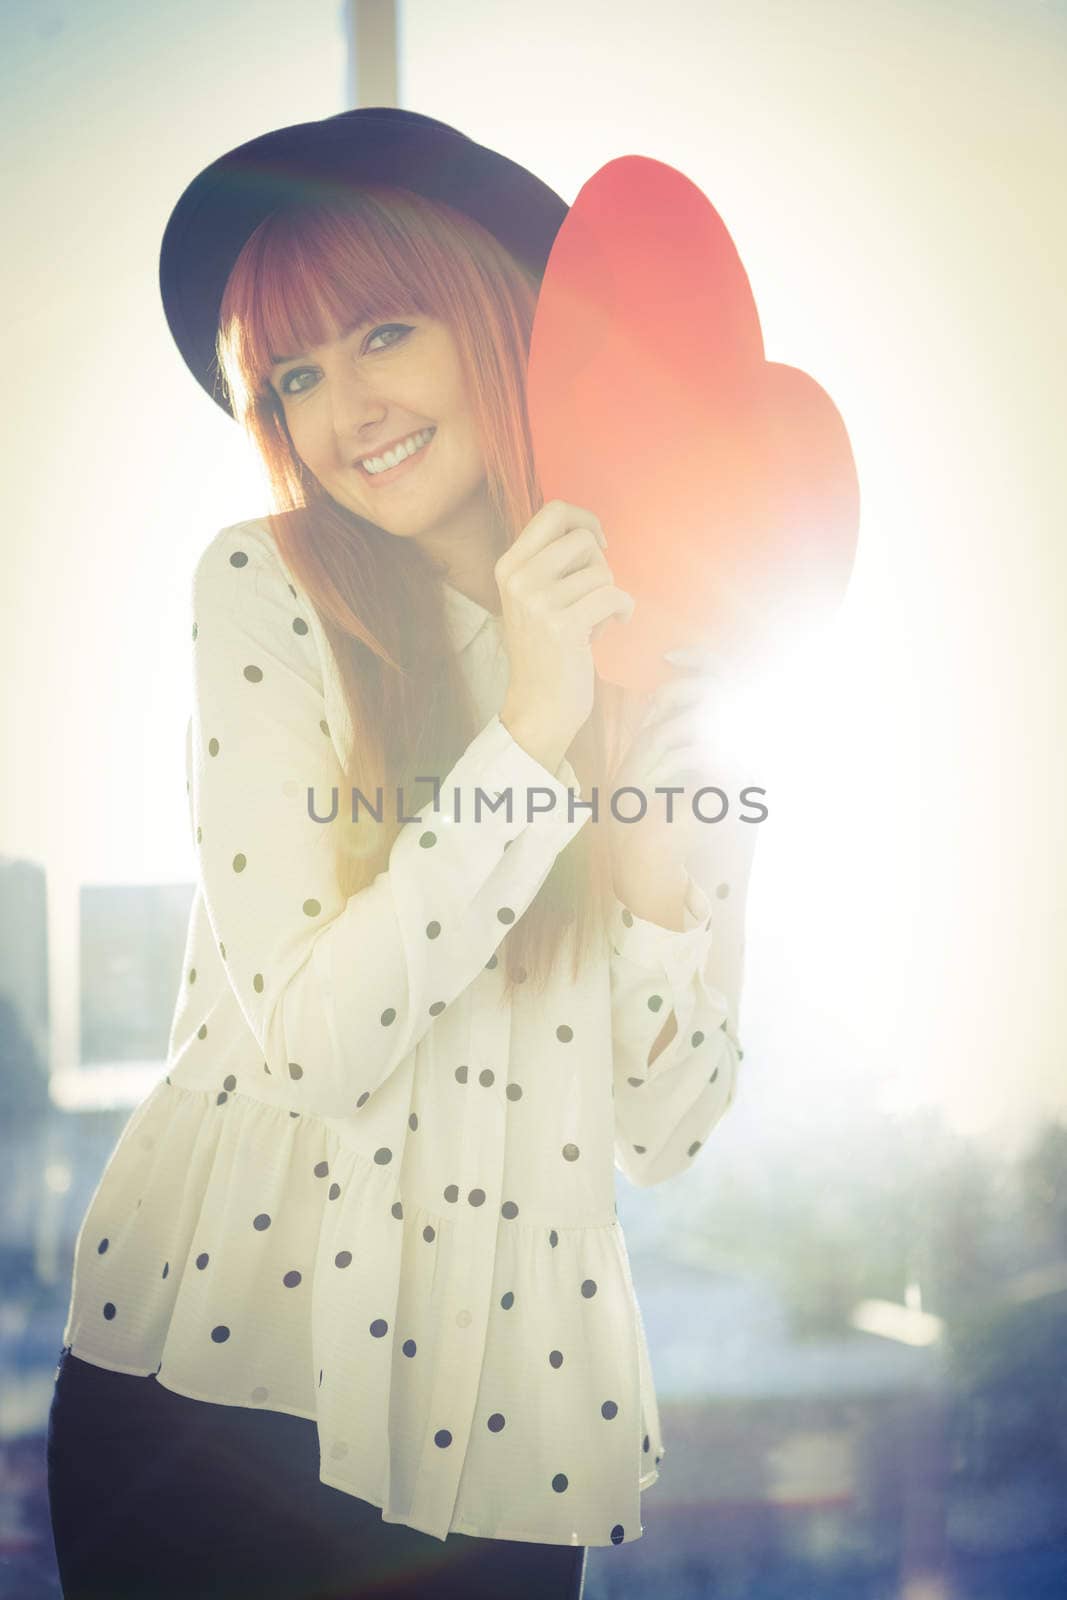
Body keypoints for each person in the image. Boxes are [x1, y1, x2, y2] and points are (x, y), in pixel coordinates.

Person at [47, 107, 754, 1600]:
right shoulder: (266, 587)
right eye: (294, 375)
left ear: (499, 320)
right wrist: (533, 729)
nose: (342, 407)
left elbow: (668, 1125)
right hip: (220, 1393)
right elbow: (312, 1038)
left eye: (382, 333)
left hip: (514, 1428)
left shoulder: (674, 647)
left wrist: (652, 866)